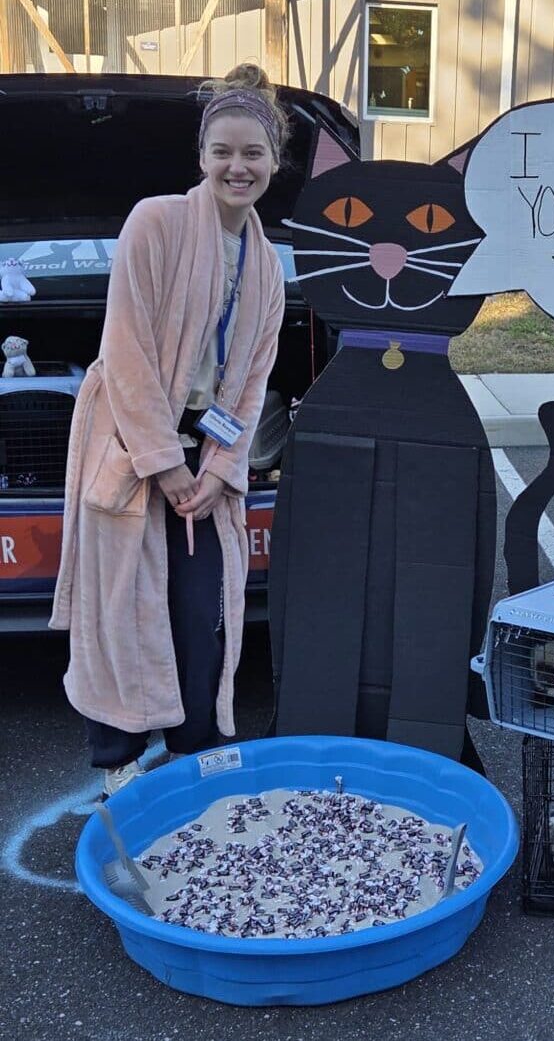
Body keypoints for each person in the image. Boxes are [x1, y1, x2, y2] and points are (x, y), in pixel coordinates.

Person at [51, 64, 288, 798]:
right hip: (130, 439)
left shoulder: (268, 267)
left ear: (274, 162)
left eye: (252, 153)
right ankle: (118, 761)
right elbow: (122, 350)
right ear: (200, 157)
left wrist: (217, 468)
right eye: (222, 151)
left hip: (205, 453)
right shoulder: (153, 222)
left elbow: (250, 384)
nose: (236, 167)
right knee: (119, 606)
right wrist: (162, 460)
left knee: (202, 606)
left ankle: (194, 751)